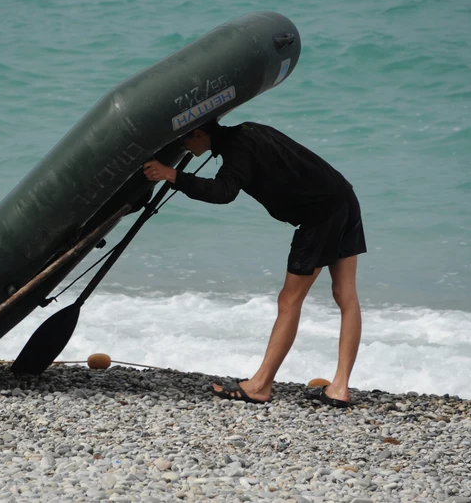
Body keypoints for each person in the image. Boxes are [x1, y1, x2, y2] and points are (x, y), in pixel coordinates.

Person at [142, 119, 366, 408]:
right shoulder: (248, 130)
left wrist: (173, 176)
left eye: (184, 139)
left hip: (320, 215)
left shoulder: (237, 148)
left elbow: (224, 192)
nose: (182, 145)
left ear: (199, 133)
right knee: (345, 295)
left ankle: (260, 386)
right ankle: (339, 388)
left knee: (289, 300)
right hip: (344, 196)